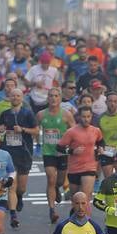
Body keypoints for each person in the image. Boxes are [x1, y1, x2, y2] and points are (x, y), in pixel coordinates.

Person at [0, 88, 38, 221]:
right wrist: (1, 130)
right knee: (12, 185)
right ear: (9, 98)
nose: (15, 98)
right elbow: (0, 131)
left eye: (17, 96)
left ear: (22, 98)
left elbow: (36, 131)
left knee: (21, 187)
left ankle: (19, 197)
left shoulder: (28, 113)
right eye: (13, 96)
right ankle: (13, 213)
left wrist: (23, 130)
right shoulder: (4, 114)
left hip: (24, 153)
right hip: (8, 153)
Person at [38, 88, 75, 223]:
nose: (53, 98)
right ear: (47, 98)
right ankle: (52, 209)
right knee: (51, 179)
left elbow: (74, 131)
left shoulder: (66, 115)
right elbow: (35, 129)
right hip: (48, 152)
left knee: (59, 181)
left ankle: (57, 189)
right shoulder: (41, 115)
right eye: (51, 96)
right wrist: (36, 145)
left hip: (62, 152)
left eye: (56, 96)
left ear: (60, 98)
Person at [58, 105, 103, 201]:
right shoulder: (71, 132)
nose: (86, 119)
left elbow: (101, 141)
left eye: (88, 117)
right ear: (79, 117)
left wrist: (100, 149)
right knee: (75, 199)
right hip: (74, 169)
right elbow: (59, 147)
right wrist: (72, 151)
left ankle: (87, 216)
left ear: (91, 117)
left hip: (89, 168)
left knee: (85, 197)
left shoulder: (96, 130)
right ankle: (75, 215)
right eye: (84, 117)